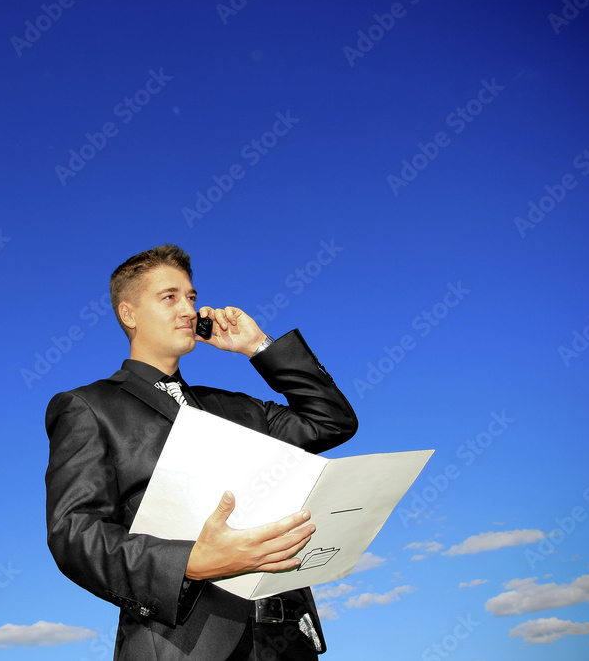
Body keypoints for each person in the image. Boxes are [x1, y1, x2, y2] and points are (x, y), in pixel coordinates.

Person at [45, 244, 358, 660]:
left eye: (191, 297)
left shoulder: (238, 407)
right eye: (169, 297)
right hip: (181, 644)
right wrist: (190, 561)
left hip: (286, 641)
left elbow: (331, 420)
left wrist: (258, 346)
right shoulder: (89, 407)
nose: (189, 309)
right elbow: (75, 533)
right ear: (129, 314)